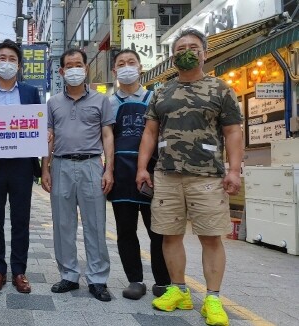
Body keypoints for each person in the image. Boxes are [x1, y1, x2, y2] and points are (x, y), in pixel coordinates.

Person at [136, 28, 243, 326]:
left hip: (207, 176)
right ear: (173, 56)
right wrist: (142, 167)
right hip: (167, 175)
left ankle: (212, 298)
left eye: (193, 47)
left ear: (204, 53)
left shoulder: (220, 89)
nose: (187, 51)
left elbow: (233, 131)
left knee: (211, 237)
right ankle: (179, 290)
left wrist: (234, 170)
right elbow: (150, 132)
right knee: (170, 235)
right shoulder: (161, 91)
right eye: (181, 47)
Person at [41, 48, 114, 302]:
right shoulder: (52, 103)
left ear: (86, 68)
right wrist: (44, 169)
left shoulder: (100, 100)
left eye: (78, 65)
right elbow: (47, 139)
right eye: (69, 66)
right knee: (63, 224)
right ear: (61, 71)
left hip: (92, 165)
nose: (74, 69)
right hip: (60, 165)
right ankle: (69, 275)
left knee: (95, 223)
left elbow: (107, 135)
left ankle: (97, 279)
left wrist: (109, 169)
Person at [0, 39, 42, 293]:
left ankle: (20, 272)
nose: (7, 63)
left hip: (22, 166)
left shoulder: (29, 93)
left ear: (19, 65)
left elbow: (37, 125)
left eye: (12, 59)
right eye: (2, 58)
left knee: (20, 220)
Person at [107, 49, 171, 300]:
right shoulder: (109, 103)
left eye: (130, 62)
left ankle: (163, 281)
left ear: (140, 67)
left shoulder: (156, 98)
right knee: (125, 230)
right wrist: (108, 170)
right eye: (121, 64)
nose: (126, 67)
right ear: (114, 71)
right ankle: (135, 280)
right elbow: (106, 138)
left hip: (153, 174)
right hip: (121, 175)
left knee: (158, 229)